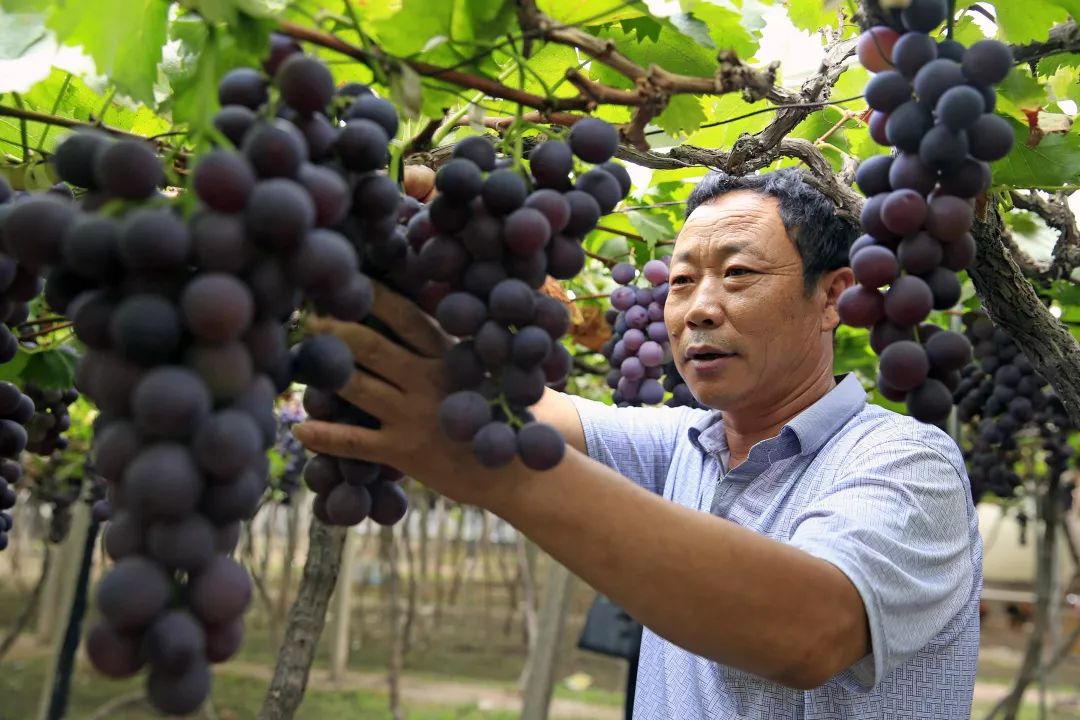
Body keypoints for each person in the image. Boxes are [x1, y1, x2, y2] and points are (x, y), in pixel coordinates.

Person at [294, 168, 983, 719]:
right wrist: (405, 259)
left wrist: (497, 472)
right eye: (681, 282)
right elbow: (521, 405)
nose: (699, 308)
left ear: (833, 297)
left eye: (737, 274)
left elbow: (809, 632)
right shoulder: (683, 446)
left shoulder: (906, 462)